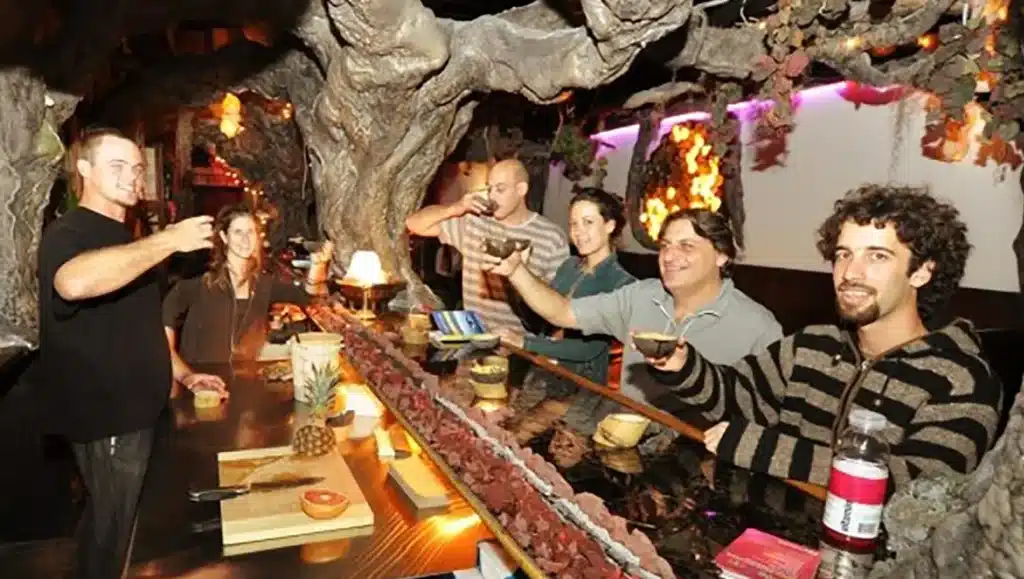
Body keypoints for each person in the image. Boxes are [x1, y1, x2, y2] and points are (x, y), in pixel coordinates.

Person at [645, 185, 1002, 489]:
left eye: (877, 256)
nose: (850, 272)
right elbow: (740, 396)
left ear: (922, 273)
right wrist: (682, 364)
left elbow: (922, 487)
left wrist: (769, 450)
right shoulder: (812, 345)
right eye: (843, 254)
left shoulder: (962, 379)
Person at [36, 127, 223, 579]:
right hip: (110, 415)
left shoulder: (126, 234)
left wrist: (183, 372)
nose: (132, 176)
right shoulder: (71, 230)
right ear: (84, 170)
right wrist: (167, 242)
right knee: (115, 533)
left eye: (137, 167)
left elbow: (145, 321)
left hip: (140, 411)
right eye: (117, 166)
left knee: (116, 523)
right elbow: (72, 283)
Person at [482, 208, 782, 403]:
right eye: (665, 246)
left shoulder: (758, 326)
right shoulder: (640, 295)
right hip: (619, 440)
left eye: (686, 246)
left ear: (721, 256)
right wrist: (515, 271)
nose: (669, 256)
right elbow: (563, 312)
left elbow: (770, 413)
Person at [498, 189, 636, 428]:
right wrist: (517, 275)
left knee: (525, 441)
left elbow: (590, 349)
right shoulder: (569, 266)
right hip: (541, 372)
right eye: (573, 223)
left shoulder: (623, 284)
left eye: (588, 222)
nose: (578, 232)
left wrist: (526, 344)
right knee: (505, 432)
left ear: (610, 225)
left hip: (579, 389)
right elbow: (537, 321)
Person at [406, 158, 570, 334]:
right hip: (474, 336)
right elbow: (414, 224)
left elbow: (563, 304)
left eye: (500, 189)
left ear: (521, 189)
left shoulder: (552, 237)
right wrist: (456, 207)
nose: (493, 196)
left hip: (522, 345)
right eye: (490, 189)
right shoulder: (476, 222)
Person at [163, 204, 310, 369]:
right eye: (238, 232)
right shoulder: (202, 279)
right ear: (224, 237)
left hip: (246, 381)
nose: (245, 240)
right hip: (203, 383)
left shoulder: (263, 283)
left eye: (250, 232)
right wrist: (181, 373)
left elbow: (307, 296)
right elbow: (165, 316)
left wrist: (318, 265)